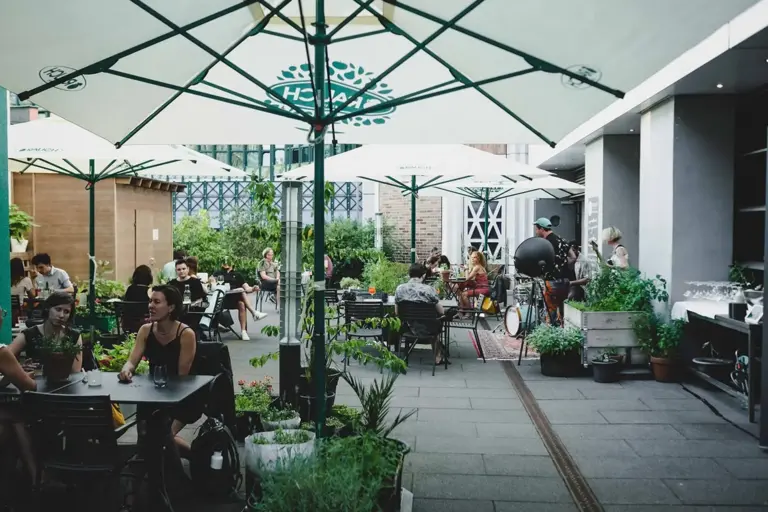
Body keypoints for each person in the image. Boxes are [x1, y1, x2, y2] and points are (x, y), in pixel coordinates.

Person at [118, 286, 197, 456]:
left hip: (181, 396)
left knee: (162, 438)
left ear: (171, 307)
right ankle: (152, 468)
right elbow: (132, 361)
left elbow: (182, 376)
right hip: (152, 394)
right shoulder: (145, 330)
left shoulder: (186, 334)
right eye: (150, 301)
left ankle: (191, 460)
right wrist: (126, 370)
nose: (150, 306)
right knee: (150, 440)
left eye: (157, 302)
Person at [0, 305, 38, 489]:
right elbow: (29, 386)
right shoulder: (1, 352)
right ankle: (35, 476)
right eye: (2, 312)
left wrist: (10, 375)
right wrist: (22, 375)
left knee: (12, 421)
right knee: (19, 418)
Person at [9, 292, 83, 373]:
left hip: (66, 382)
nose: (61, 315)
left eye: (66, 312)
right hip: (35, 382)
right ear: (48, 308)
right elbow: (4, 356)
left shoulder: (74, 335)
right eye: (58, 309)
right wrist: (20, 368)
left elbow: (76, 371)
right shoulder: (30, 333)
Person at [394, 263, 446, 365]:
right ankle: (437, 357)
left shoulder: (400, 289)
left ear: (409, 275)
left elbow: (397, 312)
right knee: (439, 321)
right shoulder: (429, 290)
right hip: (429, 328)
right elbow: (441, 311)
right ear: (423, 275)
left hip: (408, 327)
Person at [534, 218, 576, 326]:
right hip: (565, 281)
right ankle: (563, 330)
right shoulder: (562, 240)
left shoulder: (545, 243)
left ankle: (551, 334)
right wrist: (565, 266)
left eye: (536, 229)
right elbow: (573, 257)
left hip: (552, 281)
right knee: (563, 309)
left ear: (542, 229)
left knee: (550, 310)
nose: (535, 232)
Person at [213, 262, 267, 341]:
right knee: (241, 290)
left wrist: (253, 288)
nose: (225, 263)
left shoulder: (237, 275)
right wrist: (211, 280)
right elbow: (211, 283)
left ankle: (243, 331)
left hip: (233, 299)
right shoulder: (217, 273)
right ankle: (254, 313)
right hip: (221, 299)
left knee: (241, 303)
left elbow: (247, 288)